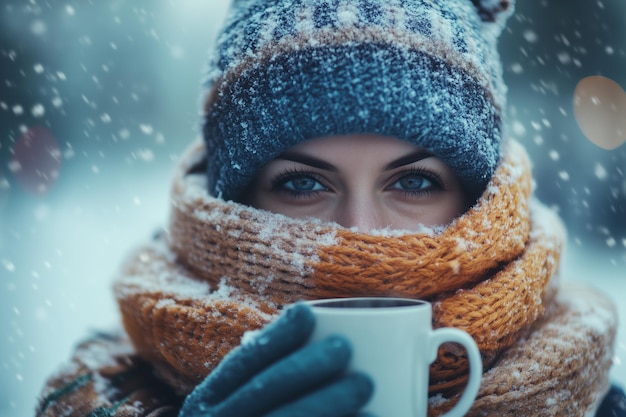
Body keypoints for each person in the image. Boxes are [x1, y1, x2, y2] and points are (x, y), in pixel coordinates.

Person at [36, 0, 626, 416]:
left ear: (480, 204)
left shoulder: (596, 403)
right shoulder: (106, 390)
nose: (359, 236)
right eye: (300, 186)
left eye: (415, 184)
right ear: (229, 207)